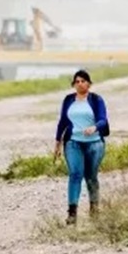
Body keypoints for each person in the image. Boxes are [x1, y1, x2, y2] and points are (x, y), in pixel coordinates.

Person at [53, 68, 109, 224]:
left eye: (83, 81)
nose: (80, 84)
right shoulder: (68, 100)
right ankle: (72, 213)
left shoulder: (96, 100)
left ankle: (94, 209)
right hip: (73, 142)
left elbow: (103, 119)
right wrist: (57, 143)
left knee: (91, 177)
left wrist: (94, 127)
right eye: (77, 82)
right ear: (73, 84)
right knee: (75, 174)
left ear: (89, 84)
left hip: (95, 143)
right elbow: (63, 122)